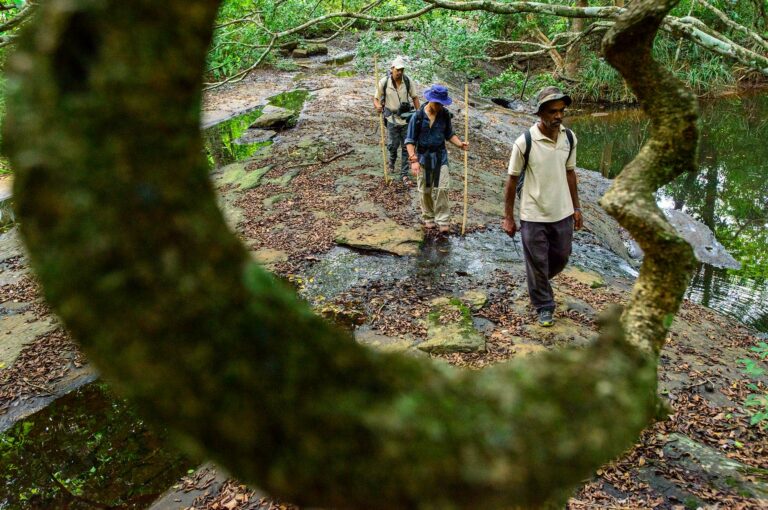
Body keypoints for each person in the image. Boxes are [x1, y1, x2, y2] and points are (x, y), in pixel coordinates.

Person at [502, 86, 583, 327]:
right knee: (537, 260)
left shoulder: (569, 138)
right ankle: (544, 306)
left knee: (561, 256)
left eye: (561, 111)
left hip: (562, 211)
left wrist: (577, 208)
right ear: (540, 113)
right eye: (552, 111)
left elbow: (570, 173)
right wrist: (508, 217)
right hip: (533, 212)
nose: (558, 116)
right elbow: (512, 180)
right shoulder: (524, 142)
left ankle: (537, 282)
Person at [404, 84, 469, 234]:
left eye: (441, 104)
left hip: (440, 156)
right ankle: (428, 217)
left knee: (442, 188)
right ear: (430, 100)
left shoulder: (444, 115)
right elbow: (409, 140)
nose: (439, 106)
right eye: (437, 103)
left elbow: (449, 134)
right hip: (424, 157)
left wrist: (461, 144)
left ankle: (443, 219)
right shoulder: (418, 116)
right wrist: (414, 161)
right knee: (426, 189)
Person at [373, 56, 420, 188]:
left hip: (406, 119)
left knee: (407, 146)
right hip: (391, 119)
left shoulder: (407, 81)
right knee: (393, 145)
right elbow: (376, 98)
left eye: (402, 70)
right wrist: (377, 105)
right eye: (397, 70)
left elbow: (415, 97)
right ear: (392, 69)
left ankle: (404, 174)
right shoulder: (384, 82)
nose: (399, 72)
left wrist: (419, 114)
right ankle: (392, 161)